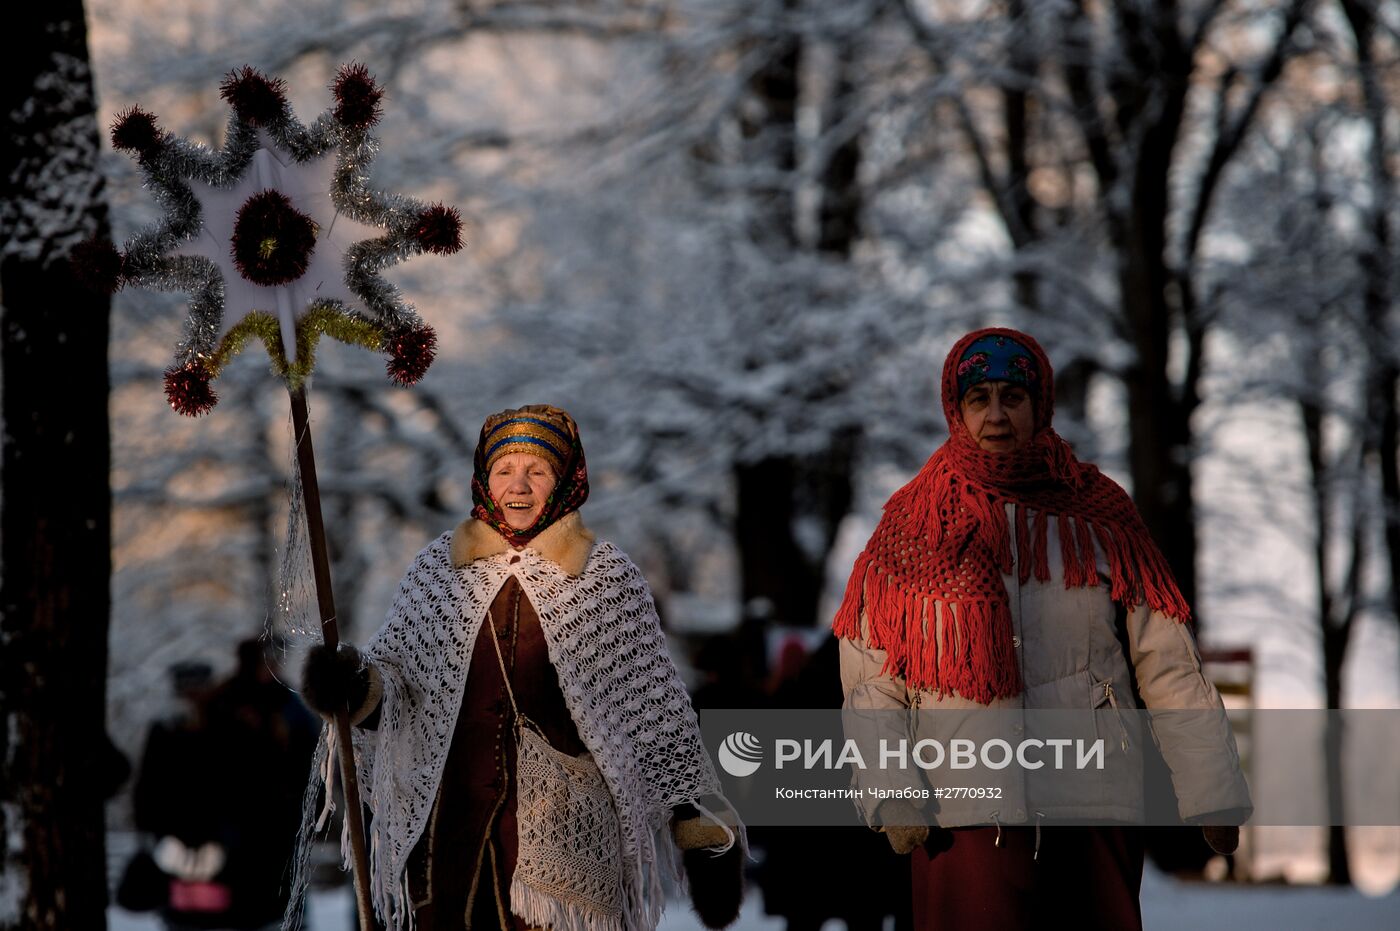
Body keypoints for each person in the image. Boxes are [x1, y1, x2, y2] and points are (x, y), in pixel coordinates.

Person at [834, 328, 1251, 930]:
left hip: (1094, 805)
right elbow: (872, 680)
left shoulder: (1101, 513)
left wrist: (1212, 787)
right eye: (979, 398)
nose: (996, 415)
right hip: (964, 815)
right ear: (957, 408)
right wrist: (892, 789)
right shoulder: (909, 526)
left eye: (1013, 396)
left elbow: (1168, 665)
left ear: (1040, 404)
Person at [301, 404, 744, 931]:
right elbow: (396, 692)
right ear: (483, 478)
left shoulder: (605, 577)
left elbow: (656, 711)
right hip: (450, 838)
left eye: (537, 471)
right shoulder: (436, 571)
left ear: (565, 479)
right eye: (505, 469)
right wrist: (352, 689)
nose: (519, 485)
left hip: (569, 842)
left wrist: (699, 825)